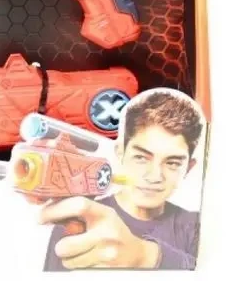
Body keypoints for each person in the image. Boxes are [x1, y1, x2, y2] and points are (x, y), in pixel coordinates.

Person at [41, 88, 205, 270]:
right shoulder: (77, 220)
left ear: (189, 168)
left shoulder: (198, 226)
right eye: (141, 157)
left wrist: (144, 256)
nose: (154, 176)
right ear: (120, 153)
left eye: (172, 163)